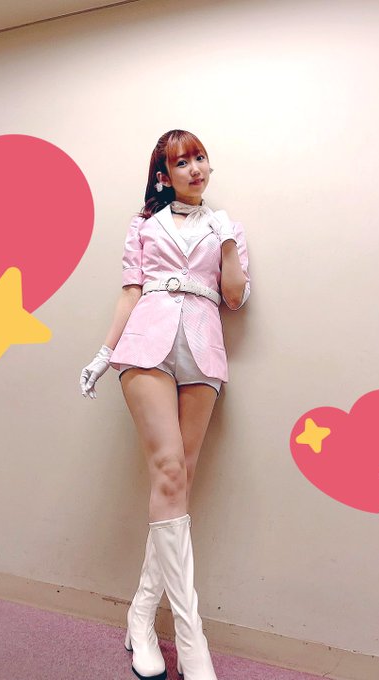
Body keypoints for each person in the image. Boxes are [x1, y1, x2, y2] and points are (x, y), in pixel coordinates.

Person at [79, 130, 250, 680]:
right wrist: (104, 353)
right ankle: (191, 637)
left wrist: (227, 241)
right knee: (169, 470)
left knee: (178, 482)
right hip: (146, 343)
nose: (195, 168)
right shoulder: (144, 226)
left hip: (203, 348)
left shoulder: (226, 227)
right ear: (164, 174)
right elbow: (131, 290)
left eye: (201, 158)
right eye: (182, 162)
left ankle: (140, 618)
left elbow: (234, 296)